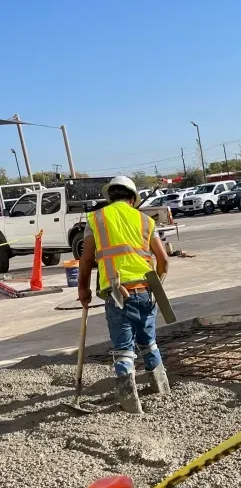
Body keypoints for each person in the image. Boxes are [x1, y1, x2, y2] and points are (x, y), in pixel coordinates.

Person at [78, 176, 170, 414]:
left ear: (110, 197)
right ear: (132, 199)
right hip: (147, 290)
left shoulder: (96, 219)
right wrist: (156, 284)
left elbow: (87, 260)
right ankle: (160, 387)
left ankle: (130, 402)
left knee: (123, 349)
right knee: (148, 342)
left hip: (117, 293)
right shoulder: (145, 220)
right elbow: (163, 260)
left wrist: (83, 289)